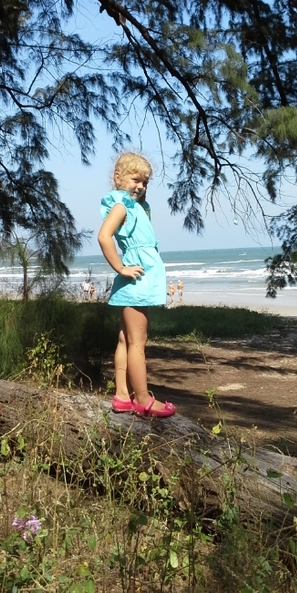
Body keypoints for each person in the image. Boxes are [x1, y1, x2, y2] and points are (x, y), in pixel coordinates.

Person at [98, 152, 176, 418]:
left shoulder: (135, 207)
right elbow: (104, 236)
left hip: (136, 282)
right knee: (137, 342)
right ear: (118, 177)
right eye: (135, 180)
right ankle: (143, 399)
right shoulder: (122, 206)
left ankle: (122, 395)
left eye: (145, 182)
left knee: (125, 339)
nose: (140, 186)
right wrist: (120, 268)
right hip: (136, 282)